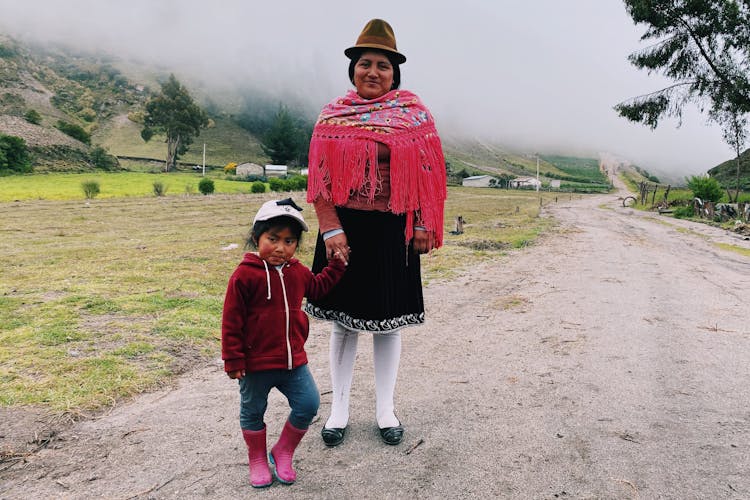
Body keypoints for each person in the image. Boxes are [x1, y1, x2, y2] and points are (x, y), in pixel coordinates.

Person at [305, 19, 447, 447]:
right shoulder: (333, 116)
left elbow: (426, 173)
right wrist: (330, 229)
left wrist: (422, 222)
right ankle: (340, 410)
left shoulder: (413, 116)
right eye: (365, 63)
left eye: (382, 65)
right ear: (353, 69)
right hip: (344, 231)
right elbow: (321, 177)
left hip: (392, 229)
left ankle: (386, 410)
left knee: (387, 325)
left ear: (394, 73)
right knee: (344, 325)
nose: (373, 72)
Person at [221, 198, 346, 487]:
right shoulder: (244, 276)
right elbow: (231, 321)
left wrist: (336, 268)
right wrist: (233, 360)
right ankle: (257, 458)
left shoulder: (297, 272)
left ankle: (283, 450)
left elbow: (317, 288)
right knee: (253, 411)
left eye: (289, 241)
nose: (280, 247)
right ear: (256, 238)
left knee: (309, 403)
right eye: (272, 239)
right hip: (254, 366)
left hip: (293, 362)